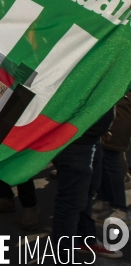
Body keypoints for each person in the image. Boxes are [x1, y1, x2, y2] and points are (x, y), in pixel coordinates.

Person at [52, 107, 122, 261]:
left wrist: (103, 127)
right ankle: (65, 260)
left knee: (88, 192)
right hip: (75, 139)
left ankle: (85, 240)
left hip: (93, 136)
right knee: (70, 204)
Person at [92, 90, 131, 225]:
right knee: (102, 160)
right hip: (111, 113)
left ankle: (119, 208)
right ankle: (105, 200)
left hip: (118, 117)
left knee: (110, 161)